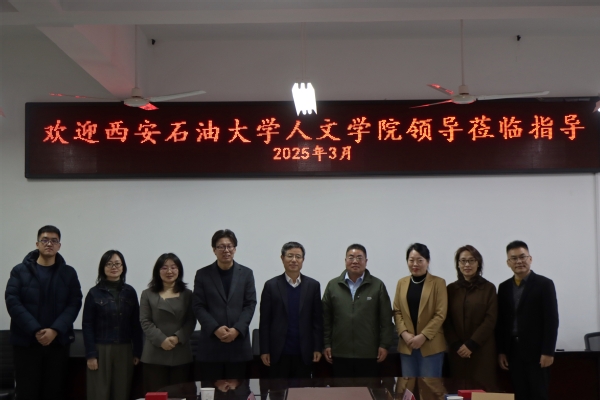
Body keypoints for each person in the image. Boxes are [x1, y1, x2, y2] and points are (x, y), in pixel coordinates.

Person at [5, 225, 83, 400]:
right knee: (27, 392)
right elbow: (13, 301)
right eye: (45, 240)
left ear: (59, 246)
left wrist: (55, 330)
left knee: (54, 392)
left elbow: (74, 303)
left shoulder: (68, 273)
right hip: (26, 343)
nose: (49, 244)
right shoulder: (19, 271)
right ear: (37, 244)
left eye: (54, 241)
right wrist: (35, 330)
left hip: (57, 344)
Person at [496, 240, 559, 400]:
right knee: (520, 394)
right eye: (514, 258)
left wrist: (548, 351)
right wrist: (501, 351)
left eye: (522, 257)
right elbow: (501, 322)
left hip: (537, 353)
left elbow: (551, 320)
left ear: (530, 259)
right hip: (513, 352)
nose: (519, 261)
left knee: (539, 394)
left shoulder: (544, 284)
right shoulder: (504, 287)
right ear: (508, 262)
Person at [193, 229, 257, 380]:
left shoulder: (246, 273)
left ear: (235, 248)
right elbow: (198, 306)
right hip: (211, 346)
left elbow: (250, 304)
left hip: (238, 346)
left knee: (239, 390)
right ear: (214, 250)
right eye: (221, 246)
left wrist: (237, 330)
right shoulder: (202, 274)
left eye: (229, 246)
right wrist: (215, 329)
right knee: (210, 390)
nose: (226, 250)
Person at [322, 243, 393, 378]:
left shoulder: (377, 286)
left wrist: (384, 345)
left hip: (369, 353)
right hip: (340, 352)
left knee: (368, 389)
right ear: (345, 260)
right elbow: (326, 319)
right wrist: (326, 344)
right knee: (342, 390)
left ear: (366, 261)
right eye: (351, 257)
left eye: (359, 258)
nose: (355, 261)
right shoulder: (333, 286)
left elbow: (386, 319)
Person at [82, 250, 144, 400]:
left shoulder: (130, 292)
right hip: (101, 349)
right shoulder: (94, 293)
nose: (113, 267)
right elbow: (87, 325)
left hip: (124, 349)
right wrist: (91, 355)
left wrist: (137, 351)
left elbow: (136, 324)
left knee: (122, 392)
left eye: (117, 264)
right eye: (109, 264)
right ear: (103, 268)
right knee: (99, 393)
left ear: (123, 267)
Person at [259, 242, 323, 378]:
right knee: (278, 389)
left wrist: (318, 347)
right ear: (282, 258)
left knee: (303, 390)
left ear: (303, 260)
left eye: (298, 257)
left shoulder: (313, 286)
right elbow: (264, 322)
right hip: (278, 352)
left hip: (304, 352)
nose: (294, 260)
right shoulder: (271, 285)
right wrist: (264, 350)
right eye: (290, 256)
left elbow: (317, 321)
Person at [140, 253, 196, 393]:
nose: (169, 271)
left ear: (179, 270)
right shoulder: (147, 294)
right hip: (154, 354)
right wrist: (161, 340)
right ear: (158, 271)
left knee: (180, 395)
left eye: (173, 267)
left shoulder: (188, 294)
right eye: (164, 268)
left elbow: (191, 320)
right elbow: (145, 321)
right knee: (156, 395)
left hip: (181, 353)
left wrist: (177, 338)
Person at [445, 245, 498, 390]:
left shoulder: (489, 288)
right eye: (463, 261)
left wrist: (472, 344)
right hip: (457, 352)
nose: (467, 264)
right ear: (458, 264)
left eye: (471, 260)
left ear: (478, 263)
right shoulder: (450, 289)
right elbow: (446, 320)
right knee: (458, 390)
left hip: (482, 350)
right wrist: (456, 344)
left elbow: (490, 319)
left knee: (482, 390)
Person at [393, 243, 447, 377]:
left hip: (430, 345)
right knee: (408, 387)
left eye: (420, 260)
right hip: (407, 345)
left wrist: (423, 336)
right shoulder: (401, 283)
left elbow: (440, 314)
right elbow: (397, 311)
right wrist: (404, 333)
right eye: (411, 260)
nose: (415, 264)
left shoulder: (438, 283)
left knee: (429, 387)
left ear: (427, 261)